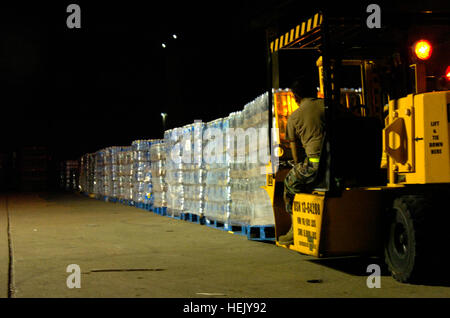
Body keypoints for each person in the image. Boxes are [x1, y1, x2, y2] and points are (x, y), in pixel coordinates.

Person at [278, 76, 325, 246]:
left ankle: (295, 229)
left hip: (315, 164)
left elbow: (296, 152)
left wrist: (297, 165)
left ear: (295, 96)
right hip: (340, 162)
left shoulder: (295, 116)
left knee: (290, 185)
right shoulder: (329, 106)